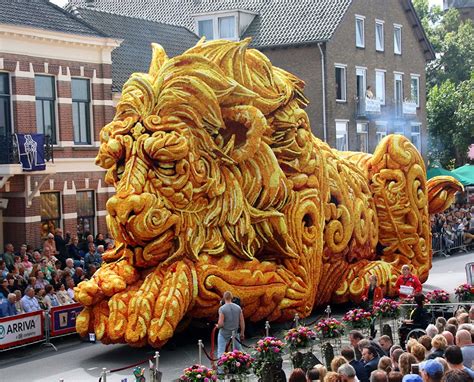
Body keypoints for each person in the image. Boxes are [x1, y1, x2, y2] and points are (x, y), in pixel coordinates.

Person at [216, 291, 244, 358]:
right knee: (239, 350)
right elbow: (242, 321)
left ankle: (221, 367)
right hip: (235, 333)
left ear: (224, 298)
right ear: (231, 297)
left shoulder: (222, 309)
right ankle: (245, 363)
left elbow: (221, 324)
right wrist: (242, 333)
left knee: (221, 351)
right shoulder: (238, 307)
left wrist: (217, 326)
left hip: (224, 333)